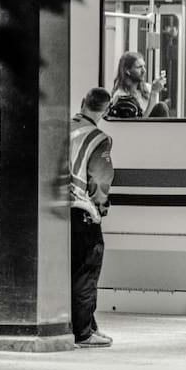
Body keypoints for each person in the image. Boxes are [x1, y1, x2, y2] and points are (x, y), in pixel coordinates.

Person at [69, 87, 117, 348]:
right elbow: (99, 180)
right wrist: (101, 207)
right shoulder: (99, 138)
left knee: (65, 271)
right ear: (106, 110)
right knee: (86, 273)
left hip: (52, 212)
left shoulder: (58, 128)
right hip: (81, 210)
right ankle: (84, 333)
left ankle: (80, 324)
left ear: (82, 102)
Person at [106, 50, 169, 119]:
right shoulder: (121, 96)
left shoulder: (147, 88)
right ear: (127, 71)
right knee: (161, 106)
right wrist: (153, 93)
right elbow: (137, 125)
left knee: (162, 106)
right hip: (138, 129)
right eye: (139, 67)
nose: (144, 71)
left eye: (144, 66)